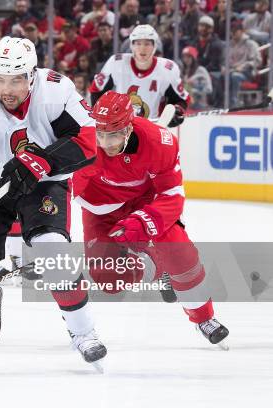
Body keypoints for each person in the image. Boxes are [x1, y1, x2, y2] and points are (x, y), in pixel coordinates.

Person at [0, 36, 106, 367]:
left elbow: (88, 142)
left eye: (16, 79)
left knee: (54, 254)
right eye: (0, 78)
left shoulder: (56, 90)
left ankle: (83, 331)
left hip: (45, 181)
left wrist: (41, 161)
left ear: (31, 75)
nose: (7, 88)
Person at [73, 91, 230, 349]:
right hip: (99, 208)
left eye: (112, 135)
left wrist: (143, 222)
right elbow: (63, 188)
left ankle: (203, 317)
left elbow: (172, 195)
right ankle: (156, 266)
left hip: (143, 201)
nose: (105, 143)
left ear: (128, 128)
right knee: (107, 279)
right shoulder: (83, 141)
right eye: (100, 134)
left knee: (179, 251)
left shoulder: (160, 142)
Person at [89, 24, 189, 127]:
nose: (142, 48)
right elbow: (96, 89)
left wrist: (176, 112)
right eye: (138, 43)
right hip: (120, 128)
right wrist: (100, 116)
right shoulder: (116, 63)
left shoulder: (167, 69)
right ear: (132, 45)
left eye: (147, 44)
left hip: (152, 128)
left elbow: (181, 99)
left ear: (154, 46)